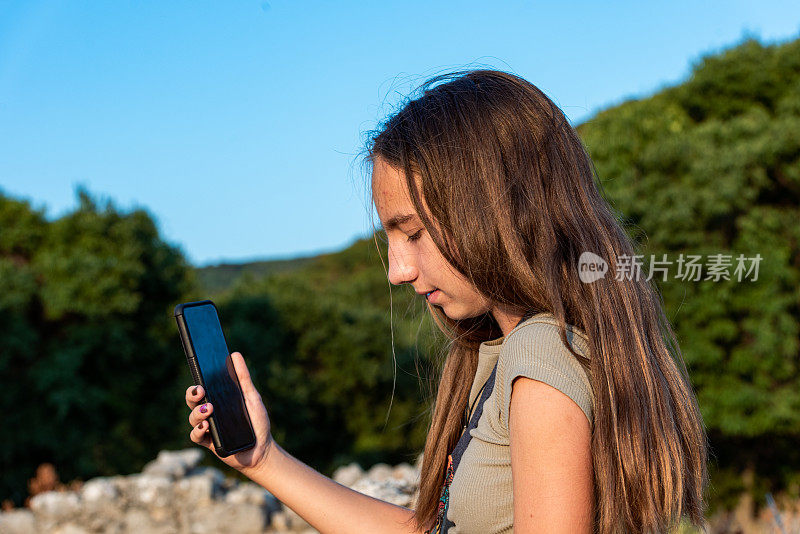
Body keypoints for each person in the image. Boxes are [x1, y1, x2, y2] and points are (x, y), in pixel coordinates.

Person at [185, 69, 708, 533]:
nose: (397, 271)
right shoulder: (509, 352)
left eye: (412, 233)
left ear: (494, 210)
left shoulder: (540, 355)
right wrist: (264, 459)